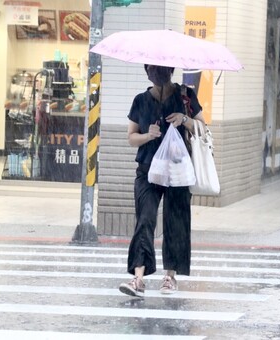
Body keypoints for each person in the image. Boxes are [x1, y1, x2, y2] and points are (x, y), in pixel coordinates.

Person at [118, 64, 205, 298]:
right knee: (144, 220)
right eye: (152, 69)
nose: (157, 73)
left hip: (178, 170)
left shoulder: (185, 96)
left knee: (175, 222)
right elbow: (131, 138)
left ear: (171, 70)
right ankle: (138, 278)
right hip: (148, 170)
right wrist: (149, 135)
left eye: (161, 69)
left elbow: (202, 128)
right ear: (147, 72)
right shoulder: (140, 100)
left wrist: (184, 118)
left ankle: (170, 276)